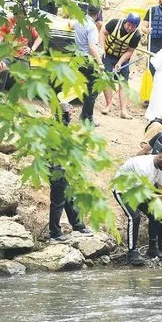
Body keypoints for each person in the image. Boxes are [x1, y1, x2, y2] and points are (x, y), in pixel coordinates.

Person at [112, 144, 162, 265]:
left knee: (156, 213)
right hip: (123, 191)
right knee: (134, 217)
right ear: (160, 156)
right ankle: (132, 252)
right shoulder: (143, 166)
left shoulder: (161, 167)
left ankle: (153, 249)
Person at [48, 102, 94, 242]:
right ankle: (54, 233)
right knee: (58, 201)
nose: (72, 115)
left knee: (69, 197)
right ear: (64, 114)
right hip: (56, 169)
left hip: (63, 168)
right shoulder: (56, 129)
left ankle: (78, 225)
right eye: (70, 113)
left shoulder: (62, 127)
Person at [98, 13, 141, 119]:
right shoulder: (114, 23)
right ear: (126, 22)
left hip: (122, 57)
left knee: (123, 82)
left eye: (133, 26)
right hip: (107, 54)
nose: (130, 28)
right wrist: (102, 49)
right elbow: (103, 33)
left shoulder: (136, 35)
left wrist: (119, 63)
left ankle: (123, 111)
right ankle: (108, 105)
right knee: (107, 78)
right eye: (129, 25)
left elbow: (130, 51)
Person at [72, 4, 102, 126]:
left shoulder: (79, 20)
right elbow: (92, 47)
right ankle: (87, 118)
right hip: (87, 60)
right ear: (98, 13)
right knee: (93, 89)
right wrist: (100, 63)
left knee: (86, 87)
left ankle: (84, 114)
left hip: (77, 58)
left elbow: (71, 24)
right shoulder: (92, 27)